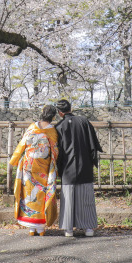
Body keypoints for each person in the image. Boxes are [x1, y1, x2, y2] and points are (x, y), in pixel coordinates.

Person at [54, 98, 103, 237]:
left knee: (68, 197)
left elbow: (58, 151)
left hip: (67, 167)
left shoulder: (59, 126)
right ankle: (88, 228)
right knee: (86, 196)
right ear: (71, 109)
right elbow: (93, 144)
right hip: (85, 164)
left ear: (60, 113)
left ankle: (68, 229)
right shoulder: (84, 121)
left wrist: (59, 167)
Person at [9, 104, 59, 236]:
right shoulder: (52, 131)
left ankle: (31, 228)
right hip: (44, 166)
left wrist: (14, 160)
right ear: (53, 116)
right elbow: (55, 150)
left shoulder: (32, 127)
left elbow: (22, 145)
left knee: (28, 192)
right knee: (42, 193)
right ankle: (41, 228)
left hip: (29, 164)